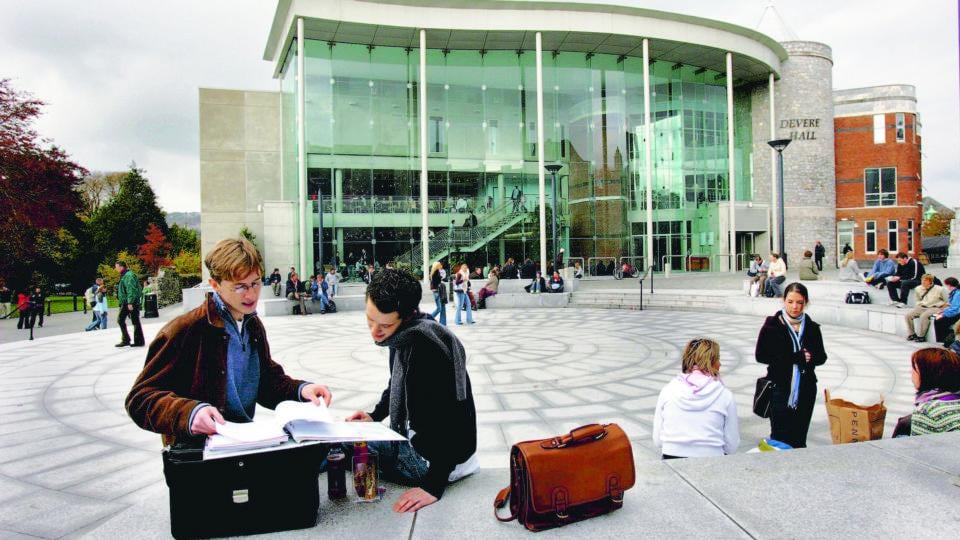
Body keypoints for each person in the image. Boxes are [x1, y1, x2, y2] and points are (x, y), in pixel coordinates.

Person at [126, 237, 331, 446]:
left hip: (240, 446)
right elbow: (139, 399)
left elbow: (265, 381)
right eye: (240, 287)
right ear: (215, 284)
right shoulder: (186, 329)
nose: (251, 294)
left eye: (255, 283)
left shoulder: (253, 324)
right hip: (198, 456)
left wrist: (301, 390)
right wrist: (189, 414)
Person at [347, 269, 478, 512]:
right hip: (431, 448)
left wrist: (433, 486)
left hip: (437, 461)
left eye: (384, 324)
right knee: (349, 437)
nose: (374, 331)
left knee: (341, 444)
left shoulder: (427, 350)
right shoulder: (408, 334)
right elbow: (396, 383)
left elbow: (453, 417)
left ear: (406, 317)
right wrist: (374, 415)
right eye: (369, 319)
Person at [755, 282, 828, 448]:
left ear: (806, 302)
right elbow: (761, 355)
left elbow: (822, 357)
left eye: (800, 302)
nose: (795, 307)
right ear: (784, 301)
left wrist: (810, 357)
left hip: (806, 389)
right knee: (780, 438)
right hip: (779, 388)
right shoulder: (772, 325)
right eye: (790, 301)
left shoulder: (811, 326)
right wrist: (794, 357)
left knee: (799, 437)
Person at [652, 338, 739, 459]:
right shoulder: (725, 395)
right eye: (718, 359)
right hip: (713, 461)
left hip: (672, 460)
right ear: (711, 362)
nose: (720, 364)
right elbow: (732, 446)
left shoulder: (667, 391)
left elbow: (658, 441)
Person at [904, 348, 960, 436]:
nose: (910, 372)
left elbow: (919, 448)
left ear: (927, 374)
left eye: (914, 368)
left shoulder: (926, 411)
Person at [904, 274, 948, 342]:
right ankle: (912, 334)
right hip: (922, 306)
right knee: (908, 316)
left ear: (930, 281)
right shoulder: (918, 288)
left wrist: (942, 307)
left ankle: (921, 336)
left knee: (924, 316)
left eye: (925, 280)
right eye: (922, 280)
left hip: (934, 307)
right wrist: (919, 304)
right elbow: (917, 300)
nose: (923, 282)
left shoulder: (940, 289)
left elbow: (947, 301)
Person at [934, 277, 960, 344]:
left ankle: (944, 340)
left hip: (957, 314)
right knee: (938, 319)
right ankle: (944, 340)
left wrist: (943, 314)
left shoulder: (957, 293)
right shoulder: (955, 292)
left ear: (949, 285)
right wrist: (943, 311)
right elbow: (951, 305)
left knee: (940, 320)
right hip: (955, 312)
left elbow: (955, 309)